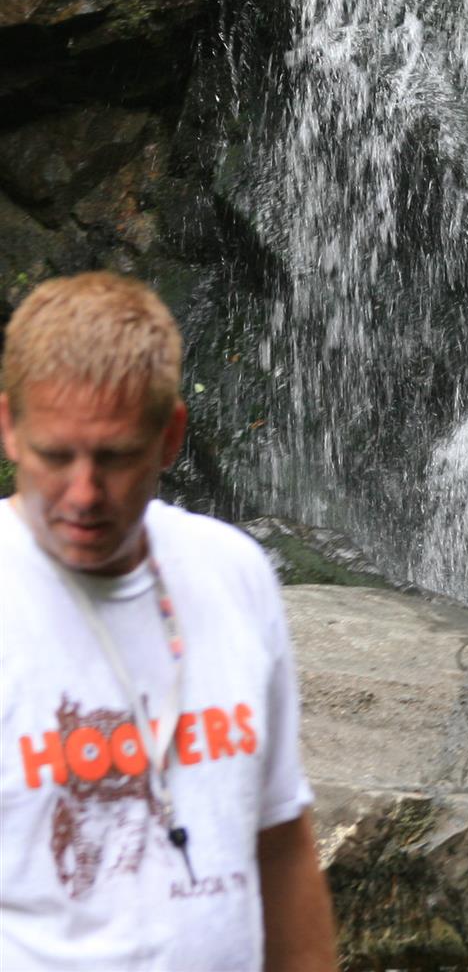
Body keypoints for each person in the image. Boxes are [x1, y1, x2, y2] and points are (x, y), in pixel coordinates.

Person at [0, 272, 339, 972]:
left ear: (169, 437)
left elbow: (280, 842)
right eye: (56, 456)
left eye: (116, 457)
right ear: (9, 427)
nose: (84, 493)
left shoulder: (234, 574)